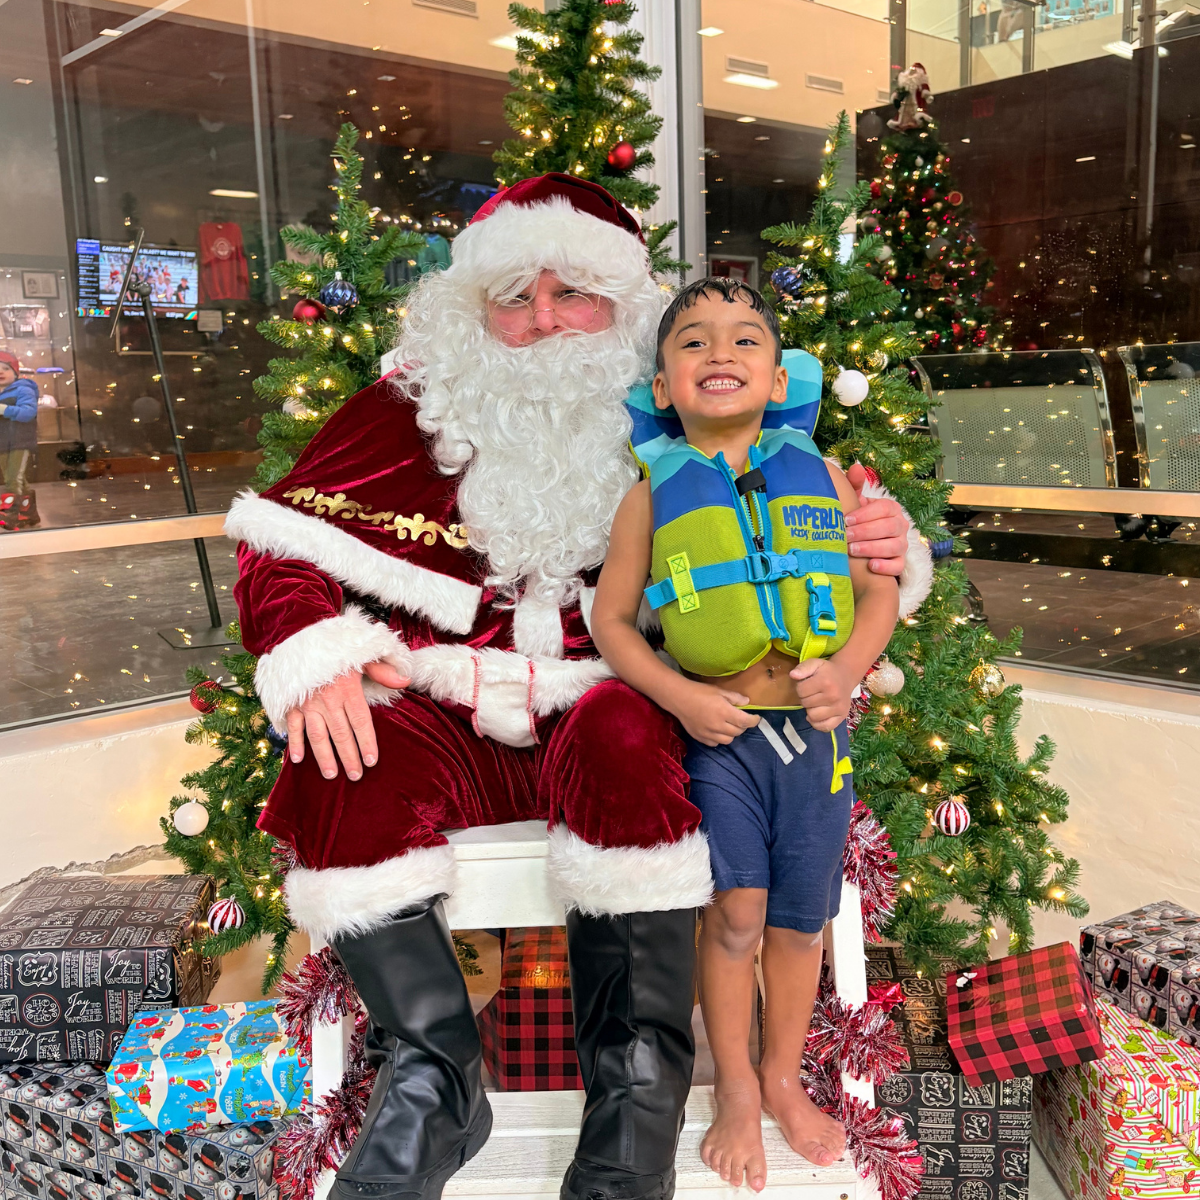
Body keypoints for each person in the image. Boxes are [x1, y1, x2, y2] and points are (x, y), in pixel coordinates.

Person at [226, 173, 929, 1200]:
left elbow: (814, 531)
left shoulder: (684, 427)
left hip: (609, 701)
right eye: (515, 296)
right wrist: (312, 647)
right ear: (476, 310)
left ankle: (637, 1082)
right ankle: (434, 1075)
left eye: (575, 296)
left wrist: (884, 543)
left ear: (627, 310)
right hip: (445, 714)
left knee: (624, 732)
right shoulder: (407, 405)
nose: (544, 320)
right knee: (342, 755)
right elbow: (277, 542)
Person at [591, 279, 899, 1192]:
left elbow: (877, 591)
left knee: (801, 924)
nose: (720, 353)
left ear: (776, 376)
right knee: (735, 916)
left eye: (745, 341)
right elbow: (612, 625)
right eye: (693, 341)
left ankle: (779, 1077)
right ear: (661, 385)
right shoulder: (651, 495)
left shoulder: (827, 474)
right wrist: (679, 698)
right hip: (719, 738)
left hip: (816, 737)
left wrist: (846, 671)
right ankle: (730, 1087)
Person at [0, 350, 40, 532]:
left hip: (19, 441)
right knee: (15, 476)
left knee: (12, 477)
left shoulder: (23, 389)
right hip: (2, 443)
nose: (1, 372)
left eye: (5, 368)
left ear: (15, 372)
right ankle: (28, 512)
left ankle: (10, 514)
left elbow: (28, 413)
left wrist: (5, 410)